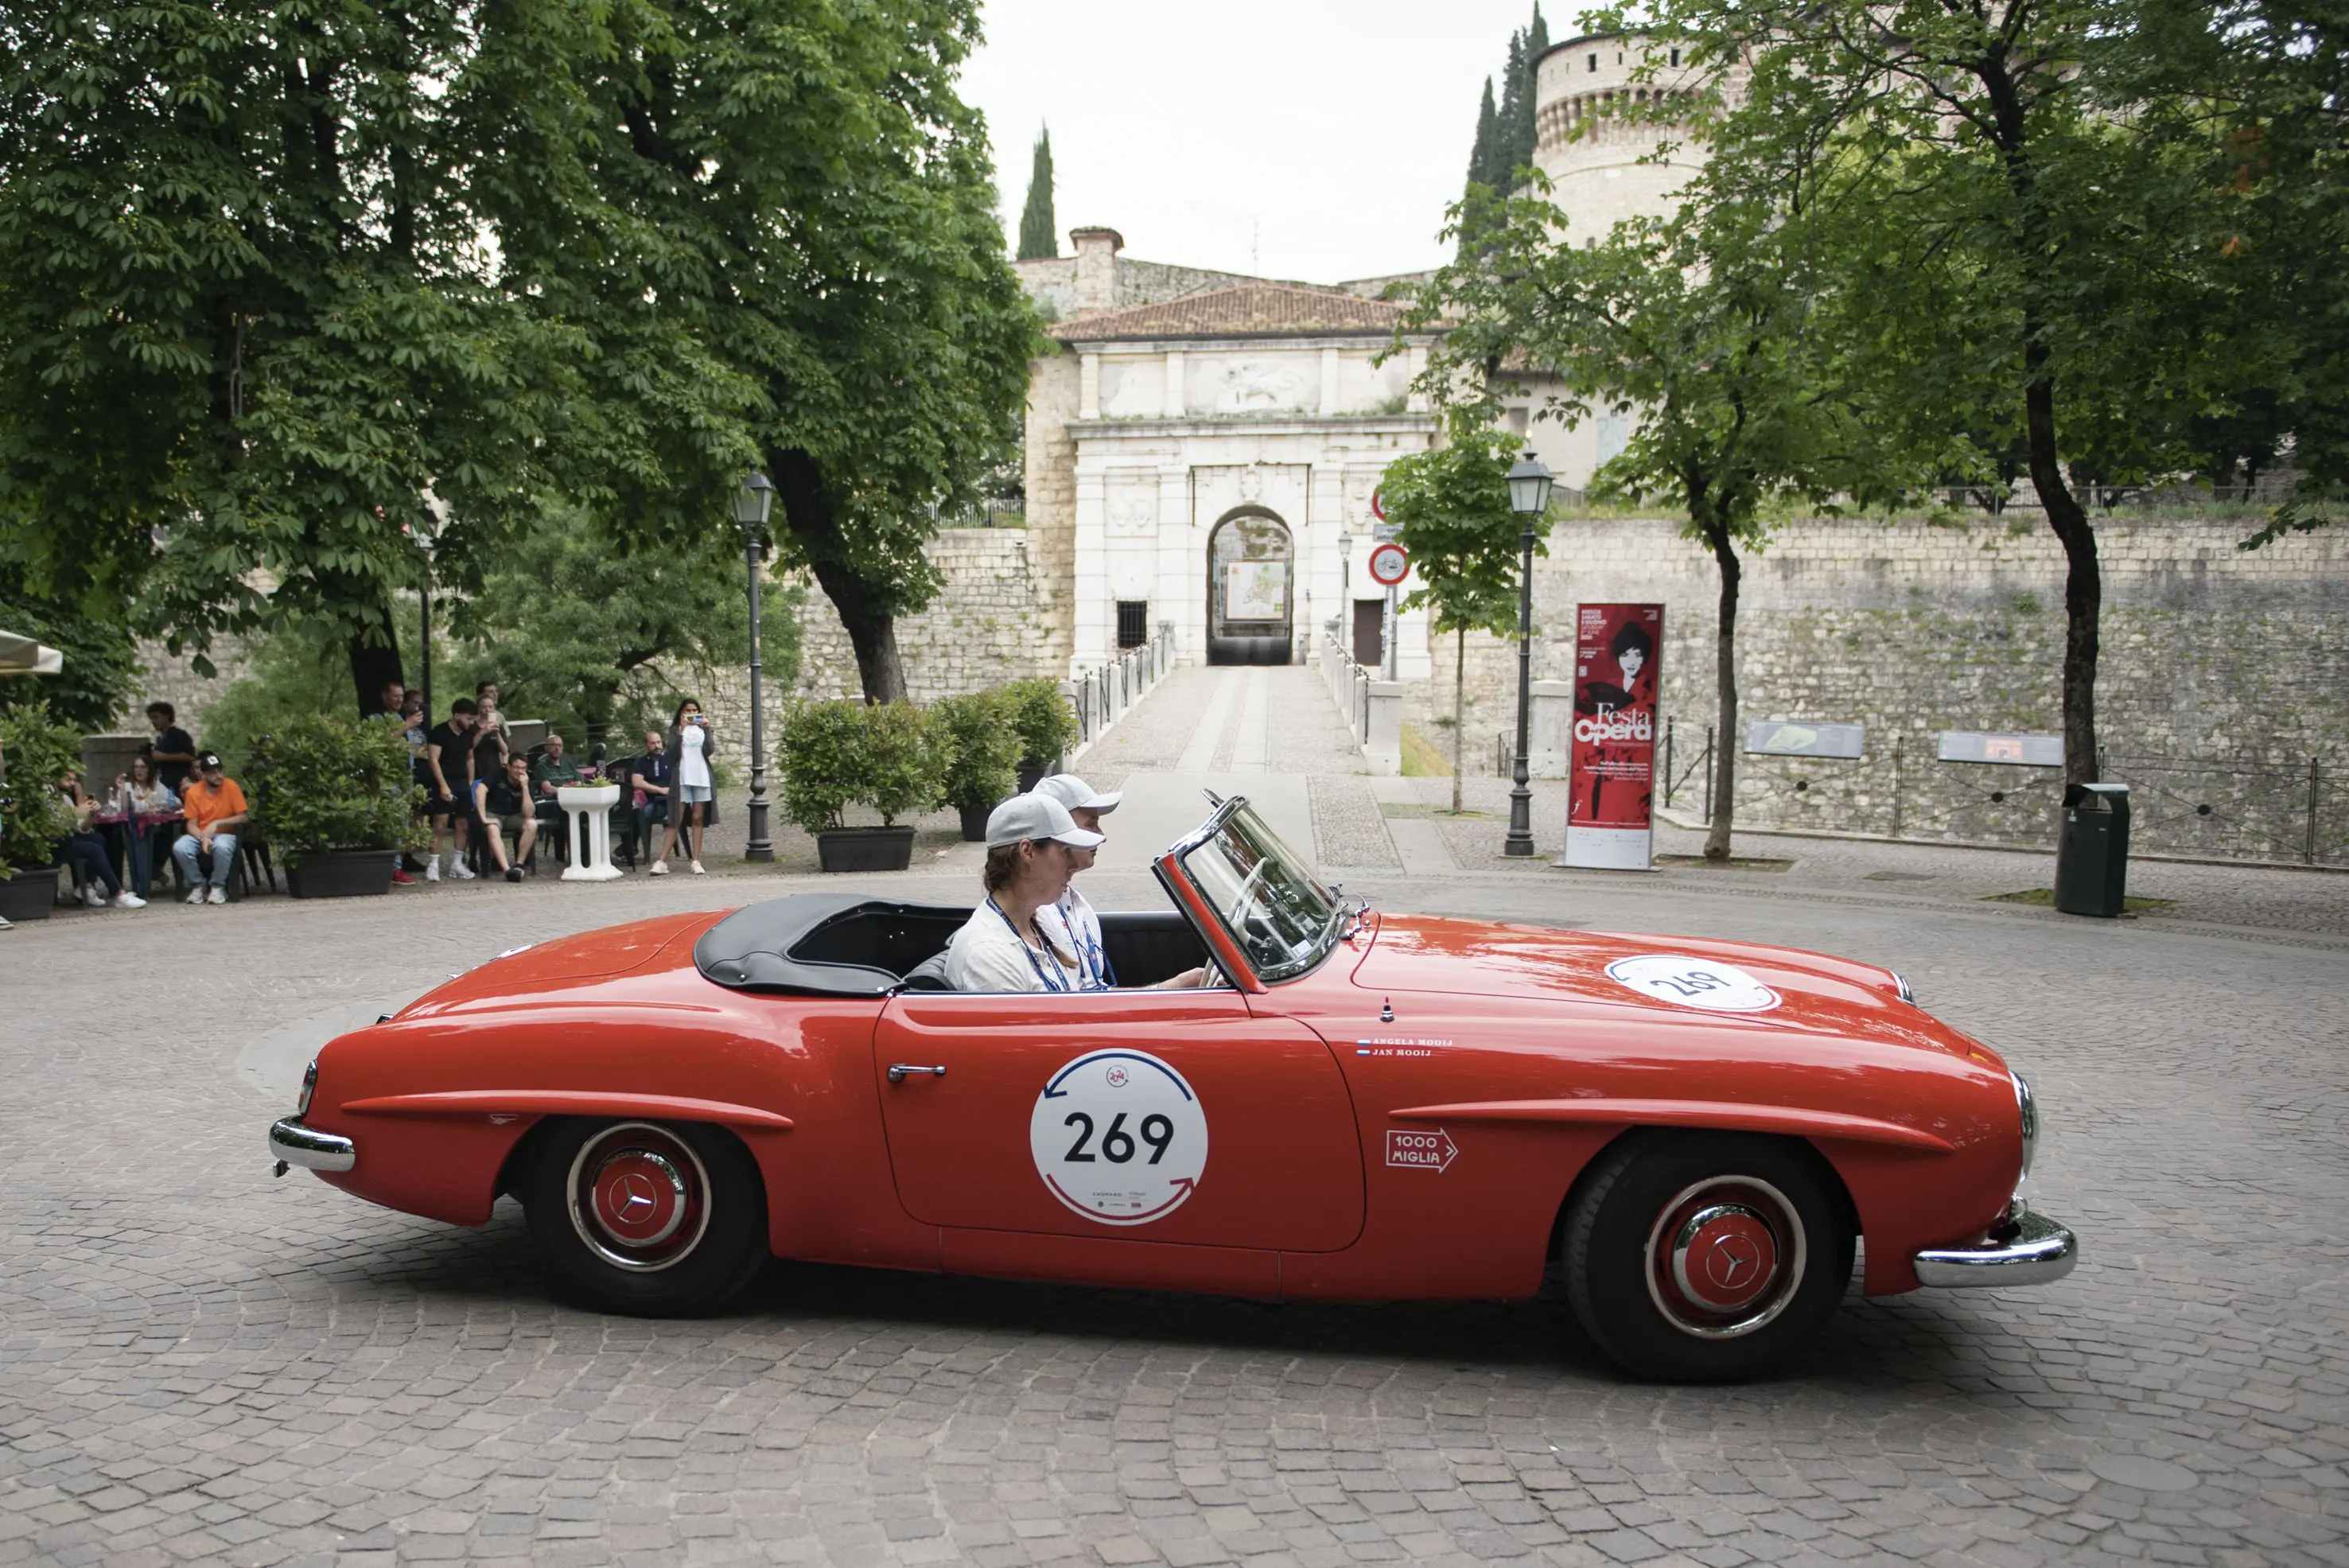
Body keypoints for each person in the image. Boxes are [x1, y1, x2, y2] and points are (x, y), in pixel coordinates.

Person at [943, 794, 1206, 993]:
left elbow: (1084, 1007)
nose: (1073, 865)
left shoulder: (1040, 923)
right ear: (1028, 852)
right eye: (1065, 851)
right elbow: (1026, 1055)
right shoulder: (989, 954)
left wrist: (1166, 990)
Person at [1032, 773, 1123, 989]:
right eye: (1091, 825)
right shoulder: (1035, 914)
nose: (1101, 835)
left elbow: (1091, 993)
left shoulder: (1076, 903)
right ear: (1057, 829)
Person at [171, 752, 247, 905]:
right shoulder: (194, 792)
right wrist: (203, 838)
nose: (218, 775)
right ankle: (199, 884)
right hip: (200, 834)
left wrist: (217, 823)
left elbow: (244, 817)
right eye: (213, 772)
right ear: (204, 775)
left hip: (225, 833)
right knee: (180, 847)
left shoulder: (231, 786)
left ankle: (218, 886)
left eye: (220, 771)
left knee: (222, 846)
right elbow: (191, 824)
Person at [60, 773, 145, 909]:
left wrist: (91, 815)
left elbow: (81, 828)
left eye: (74, 780)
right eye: (68, 779)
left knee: (98, 838)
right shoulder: (50, 798)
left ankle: (86, 887)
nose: (72, 783)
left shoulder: (65, 798)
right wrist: (77, 812)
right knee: (94, 850)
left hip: (67, 838)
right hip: (54, 843)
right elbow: (58, 827)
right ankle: (118, 894)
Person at [653, 698, 714, 876]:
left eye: (694, 710)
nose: (691, 713)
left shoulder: (702, 729)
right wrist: (681, 732)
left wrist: (707, 729)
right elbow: (672, 753)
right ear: (682, 712)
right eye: (688, 710)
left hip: (701, 776)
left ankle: (696, 860)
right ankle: (662, 860)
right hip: (682, 776)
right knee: (675, 818)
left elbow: (709, 750)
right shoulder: (675, 730)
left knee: (698, 818)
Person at [109, 751, 179, 899]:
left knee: (165, 838)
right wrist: (121, 789)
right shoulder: (128, 787)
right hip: (131, 828)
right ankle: (138, 885)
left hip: (154, 828)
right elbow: (122, 810)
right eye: (136, 767)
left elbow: (176, 803)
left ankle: (149, 878)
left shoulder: (157, 786)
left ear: (149, 769)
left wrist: (165, 806)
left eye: (143, 767)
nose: (139, 770)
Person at [423, 698, 479, 881]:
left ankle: (457, 863)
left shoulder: (468, 734)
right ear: (456, 715)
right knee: (440, 822)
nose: (471, 723)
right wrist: (443, 785)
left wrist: (470, 781)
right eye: (469, 719)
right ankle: (433, 864)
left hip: (462, 782)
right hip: (443, 781)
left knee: (463, 824)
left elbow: (470, 757)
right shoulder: (439, 732)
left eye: (473, 720)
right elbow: (433, 760)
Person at [476, 750, 537, 881]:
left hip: (514, 816)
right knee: (492, 828)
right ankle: (507, 870)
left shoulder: (527, 781)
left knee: (532, 824)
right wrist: (483, 817)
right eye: (516, 767)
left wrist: (525, 787)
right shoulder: (497, 775)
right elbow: (480, 790)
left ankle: (518, 865)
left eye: (523, 768)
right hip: (495, 814)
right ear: (508, 767)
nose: (520, 771)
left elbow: (529, 813)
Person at [627, 730, 672, 869]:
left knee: (641, 814)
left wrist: (665, 792)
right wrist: (659, 789)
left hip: (668, 803)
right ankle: (630, 849)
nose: (657, 746)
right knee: (631, 813)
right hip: (648, 800)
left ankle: (627, 850)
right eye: (653, 743)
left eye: (658, 742)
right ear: (646, 745)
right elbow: (637, 782)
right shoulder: (641, 762)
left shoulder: (671, 759)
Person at [146, 702, 197, 793]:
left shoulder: (180, 735)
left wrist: (163, 756)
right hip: (164, 785)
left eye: (156, 717)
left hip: (179, 785)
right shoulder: (160, 739)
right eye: (151, 719)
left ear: (166, 717)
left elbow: (191, 757)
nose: (153, 721)